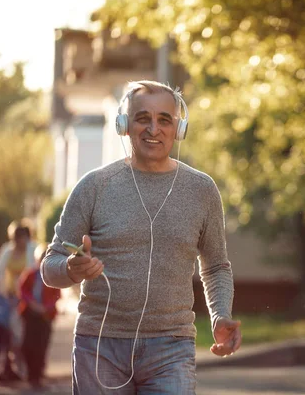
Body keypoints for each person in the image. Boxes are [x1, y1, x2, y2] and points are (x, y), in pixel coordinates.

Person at [41, 80, 241, 394]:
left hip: (171, 348)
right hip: (100, 347)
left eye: (164, 119)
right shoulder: (94, 187)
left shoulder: (202, 190)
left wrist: (219, 315)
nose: (153, 129)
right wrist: (69, 268)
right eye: (142, 118)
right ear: (124, 125)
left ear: (179, 128)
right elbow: (49, 265)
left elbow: (215, 266)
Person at [0, 219, 36, 382]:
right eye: (16, 239)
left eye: (22, 238)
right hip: (8, 299)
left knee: (19, 336)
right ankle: (9, 368)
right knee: (7, 333)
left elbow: (33, 273)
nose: (19, 242)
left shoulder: (32, 249)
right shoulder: (7, 251)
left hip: (26, 300)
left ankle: (23, 369)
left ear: (27, 238)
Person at [17, 243, 61, 389]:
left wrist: (46, 307)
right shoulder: (30, 274)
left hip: (45, 316)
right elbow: (22, 290)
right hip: (30, 315)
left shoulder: (53, 277)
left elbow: (57, 295)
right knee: (28, 345)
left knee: (41, 346)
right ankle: (31, 375)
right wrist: (32, 304)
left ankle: (38, 375)